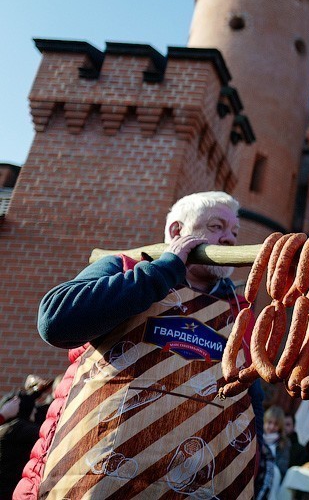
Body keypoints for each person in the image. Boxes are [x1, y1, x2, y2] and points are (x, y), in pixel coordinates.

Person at [21, 191, 265, 498]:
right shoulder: (124, 267)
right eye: (216, 227)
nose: (229, 239)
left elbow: (251, 395)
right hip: (95, 479)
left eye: (234, 233)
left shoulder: (239, 311)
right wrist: (163, 270)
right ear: (178, 231)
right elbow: (55, 320)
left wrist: (258, 463)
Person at [264, 406, 293, 478]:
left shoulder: (284, 443)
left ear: (280, 426)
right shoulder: (257, 437)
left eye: (276, 424)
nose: (271, 427)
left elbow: (282, 468)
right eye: (269, 422)